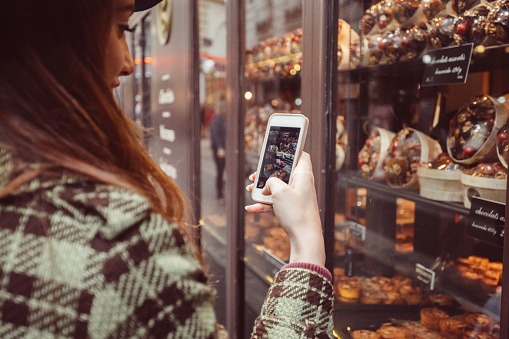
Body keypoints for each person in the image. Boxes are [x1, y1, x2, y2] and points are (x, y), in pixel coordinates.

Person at [0, 0, 334, 338]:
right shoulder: (119, 252)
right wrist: (307, 245)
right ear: (56, 40)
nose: (129, 63)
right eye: (121, 28)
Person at [209, 105, 226, 204]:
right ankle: (219, 193)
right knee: (220, 171)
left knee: (222, 170)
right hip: (219, 150)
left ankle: (222, 188)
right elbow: (215, 135)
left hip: (224, 149)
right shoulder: (216, 120)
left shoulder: (224, 119)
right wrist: (220, 148)